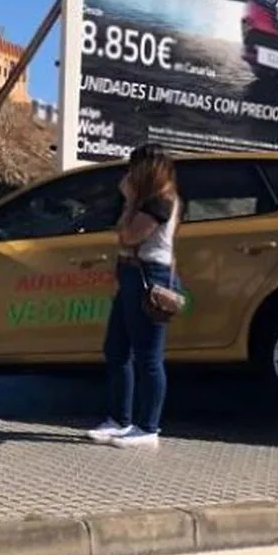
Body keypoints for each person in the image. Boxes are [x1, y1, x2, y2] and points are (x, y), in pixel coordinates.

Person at [86, 143, 183, 449]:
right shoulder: (148, 200)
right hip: (131, 274)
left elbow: (128, 235)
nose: (128, 174)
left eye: (133, 168)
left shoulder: (160, 201)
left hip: (148, 277)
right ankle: (119, 419)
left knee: (148, 357)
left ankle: (147, 427)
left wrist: (128, 201)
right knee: (116, 348)